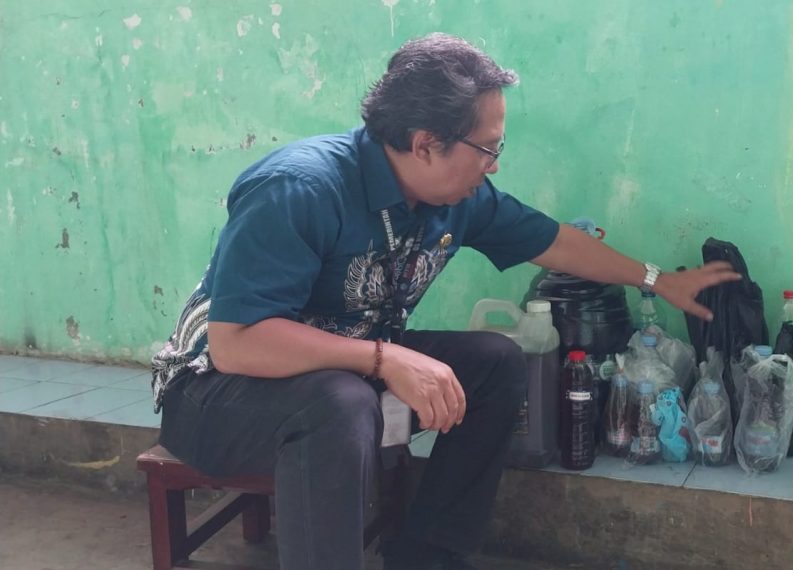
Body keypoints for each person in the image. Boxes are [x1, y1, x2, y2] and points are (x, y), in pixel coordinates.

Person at [151, 33, 739, 570]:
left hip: (342, 366)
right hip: (215, 394)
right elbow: (238, 342)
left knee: (495, 363)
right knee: (339, 403)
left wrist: (656, 280)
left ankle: (426, 555)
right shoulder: (299, 188)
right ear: (425, 145)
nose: (495, 164)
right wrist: (385, 358)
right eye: (487, 148)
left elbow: (554, 241)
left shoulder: (457, 197)